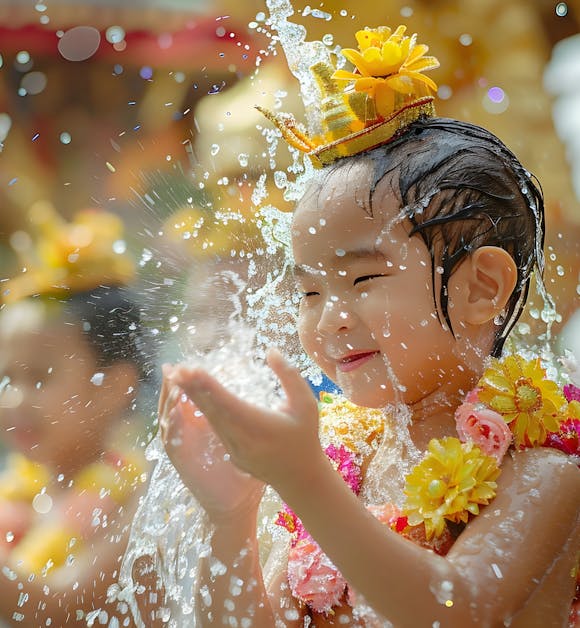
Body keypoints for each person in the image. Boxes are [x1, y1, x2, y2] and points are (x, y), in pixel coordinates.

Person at [155, 25, 580, 627]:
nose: (330, 319)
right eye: (307, 291)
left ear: (481, 287)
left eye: (361, 281)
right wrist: (231, 514)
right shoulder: (339, 470)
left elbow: (460, 610)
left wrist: (306, 483)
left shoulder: (544, 477)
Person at [0, 205, 151, 627]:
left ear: (115, 386)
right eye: (5, 380)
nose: (15, 399)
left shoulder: (138, 502)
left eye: (38, 377)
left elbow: (60, 608)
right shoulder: (17, 493)